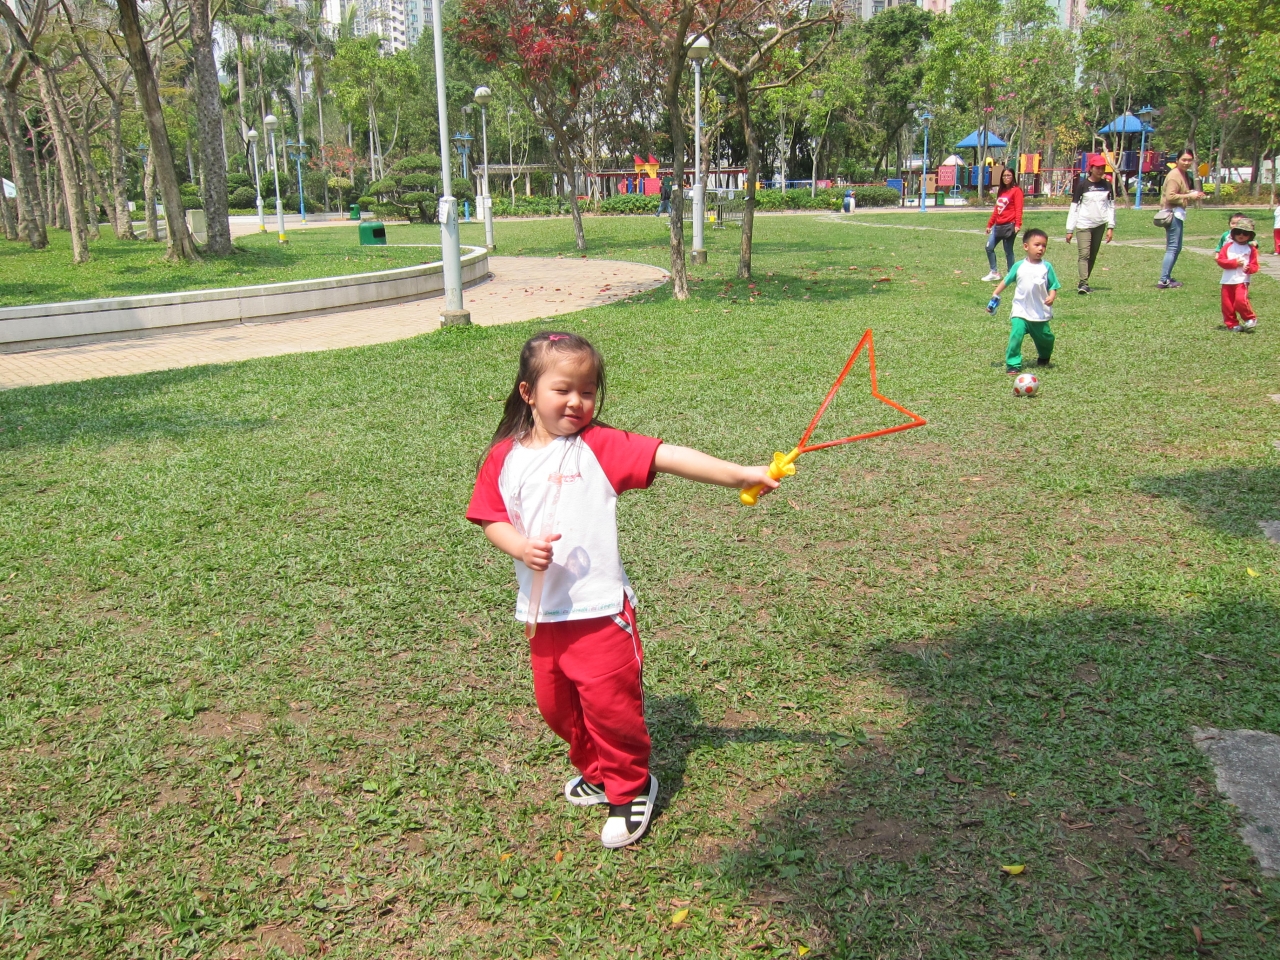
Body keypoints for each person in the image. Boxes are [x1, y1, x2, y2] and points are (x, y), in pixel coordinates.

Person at [466, 331, 779, 849]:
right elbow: (490, 517)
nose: (577, 401)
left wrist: (739, 475)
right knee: (557, 709)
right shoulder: (504, 458)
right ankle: (598, 772)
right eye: (562, 389)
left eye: (587, 391)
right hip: (543, 615)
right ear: (528, 393)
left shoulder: (599, 446)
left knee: (611, 710)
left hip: (601, 613)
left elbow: (668, 456)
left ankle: (630, 786)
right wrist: (519, 546)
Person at [986, 228, 1060, 374]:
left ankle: (1044, 356)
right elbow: (1006, 281)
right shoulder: (1019, 266)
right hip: (1020, 310)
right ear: (1026, 246)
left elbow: (1053, 285)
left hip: (1039, 312)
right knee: (1016, 335)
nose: (1041, 248)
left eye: (1044, 245)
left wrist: (1052, 296)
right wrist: (995, 293)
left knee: (1046, 339)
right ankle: (1013, 363)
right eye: (1037, 245)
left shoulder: (1046, 267)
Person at [1157, 147, 1206, 289]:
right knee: (1173, 248)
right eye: (1184, 160)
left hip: (1177, 213)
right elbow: (1170, 196)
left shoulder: (1183, 174)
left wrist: (1192, 193)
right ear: (1177, 160)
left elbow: (1181, 191)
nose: (1186, 162)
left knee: (1176, 247)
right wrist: (1189, 196)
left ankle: (1166, 276)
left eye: (1189, 160)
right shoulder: (1174, 175)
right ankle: (1163, 279)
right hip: (1172, 213)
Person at [1064, 158, 1115, 295]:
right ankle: (1083, 283)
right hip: (1083, 224)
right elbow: (1074, 207)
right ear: (1091, 168)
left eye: (1102, 168)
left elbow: (1111, 206)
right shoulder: (1082, 185)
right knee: (1084, 254)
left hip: (1100, 224)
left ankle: (1085, 281)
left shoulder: (1107, 186)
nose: (1100, 170)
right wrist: (1070, 229)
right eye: (1097, 167)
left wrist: (1111, 227)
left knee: (1092, 255)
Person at [1215, 217, 1260, 330]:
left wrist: (1249, 269)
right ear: (1233, 233)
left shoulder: (1251, 249)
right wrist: (1234, 263)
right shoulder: (1227, 247)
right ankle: (1232, 324)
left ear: (1250, 236)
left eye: (1245, 233)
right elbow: (1221, 261)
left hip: (1242, 280)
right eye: (1238, 232)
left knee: (1240, 300)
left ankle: (1250, 318)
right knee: (1227, 304)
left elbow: (1255, 265)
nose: (1241, 235)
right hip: (1227, 280)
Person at [981, 167, 1024, 281]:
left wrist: (1018, 224)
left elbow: (1018, 209)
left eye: (1009, 175)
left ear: (1013, 177)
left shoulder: (1017, 191)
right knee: (989, 247)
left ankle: (1011, 274)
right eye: (1004, 176)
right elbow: (997, 209)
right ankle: (994, 272)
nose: (1006, 178)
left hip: (1010, 225)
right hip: (998, 225)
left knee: (1008, 250)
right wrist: (990, 224)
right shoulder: (1001, 191)